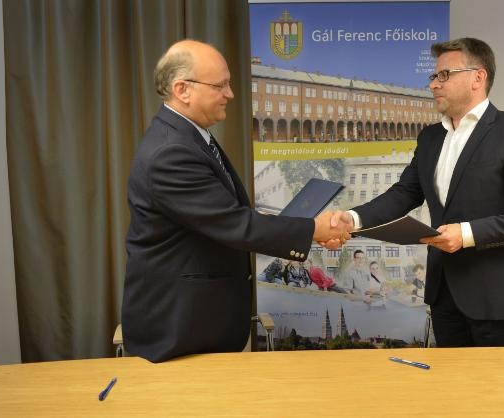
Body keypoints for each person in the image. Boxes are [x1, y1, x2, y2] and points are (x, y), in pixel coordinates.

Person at [122, 40, 350, 363]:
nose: (230, 94)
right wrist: (313, 229)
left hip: (198, 324)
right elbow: (235, 223)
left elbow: (222, 213)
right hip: (178, 331)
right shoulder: (170, 152)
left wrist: (300, 225)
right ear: (182, 90)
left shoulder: (190, 136)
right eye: (220, 86)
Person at [330, 38, 504, 347]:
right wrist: (352, 219)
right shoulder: (430, 137)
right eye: (434, 76)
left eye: (444, 75)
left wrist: (465, 234)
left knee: (494, 381)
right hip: (444, 293)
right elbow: (403, 194)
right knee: (449, 380)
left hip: (497, 298)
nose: (433, 84)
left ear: (478, 77)